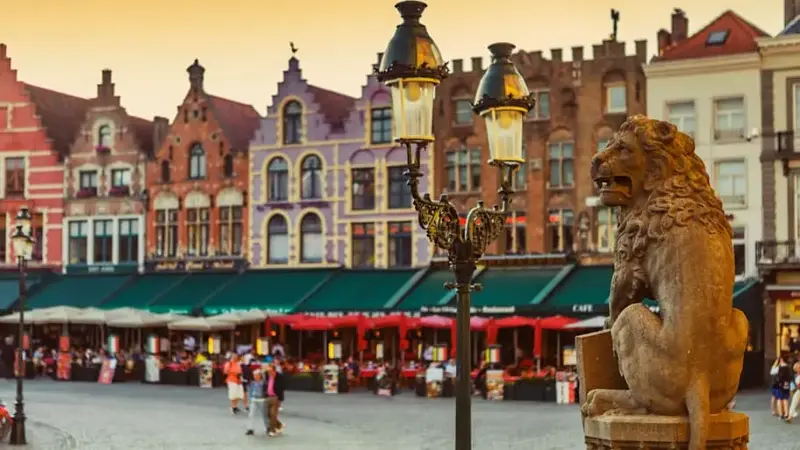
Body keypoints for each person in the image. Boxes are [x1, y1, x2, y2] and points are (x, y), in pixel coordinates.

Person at [263, 362, 285, 436]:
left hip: (276, 397)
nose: (269, 372)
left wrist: (278, 397)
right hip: (268, 396)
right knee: (268, 414)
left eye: (270, 371)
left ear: (274, 371)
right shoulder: (267, 375)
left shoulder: (280, 377)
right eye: (268, 371)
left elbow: (283, 387)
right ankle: (279, 425)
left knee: (273, 414)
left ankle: (272, 430)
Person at [245, 368, 268, 436]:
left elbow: (265, 391)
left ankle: (268, 428)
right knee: (251, 415)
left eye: (256, 375)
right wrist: (251, 398)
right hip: (254, 400)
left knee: (264, 415)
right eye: (254, 375)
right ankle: (250, 429)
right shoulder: (252, 383)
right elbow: (250, 391)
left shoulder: (264, 382)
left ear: (260, 375)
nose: (254, 376)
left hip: (262, 400)